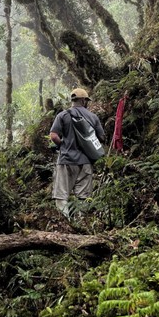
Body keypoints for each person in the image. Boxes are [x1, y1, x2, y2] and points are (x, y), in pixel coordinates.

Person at [49, 88, 106, 219]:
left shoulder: (62, 115)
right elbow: (102, 138)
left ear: (72, 100)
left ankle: (65, 223)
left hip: (66, 161)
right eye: (86, 100)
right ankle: (81, 224)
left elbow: (53, 136)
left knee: (61, 195)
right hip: (86, 161)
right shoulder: (93, 117)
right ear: (83, 100)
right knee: (83, 197)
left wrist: (62, 145)